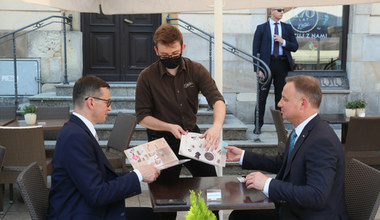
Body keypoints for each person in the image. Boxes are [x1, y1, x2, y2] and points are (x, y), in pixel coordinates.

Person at [135, 23, 226, 219]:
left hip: (191, 135)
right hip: (160, 140)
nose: (170, 58)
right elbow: (142, 117)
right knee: (164, 196)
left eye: (174, 53)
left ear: (183, 48)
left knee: (210, 184)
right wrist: (168, 126)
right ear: (156, 50)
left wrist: (216, 126)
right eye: (164, 55)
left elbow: (217, 100)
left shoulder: (196, 70)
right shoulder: (146, 76)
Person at [226, 75, 347, 220]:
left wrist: (267, 184)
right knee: (239, 215)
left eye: (285, 99)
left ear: (303, 104)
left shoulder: (321, 140)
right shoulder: (302, 131)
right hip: (293, 210)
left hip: (308, 215)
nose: (279, 103)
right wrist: (243, 156)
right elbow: (283, 163)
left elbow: (316, 195)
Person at [46, 76, 160, 220]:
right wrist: (139, 175)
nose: (110, 107)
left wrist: (138, 174)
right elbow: (98, 194)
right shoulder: (75, 137)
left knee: (159, 214)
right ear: (91, 102)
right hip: (78, 213)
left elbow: (100, 179)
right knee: (158, 216)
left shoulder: (78, 130)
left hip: (86, 208)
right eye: (107, 102)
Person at [253, 8, 299, 134]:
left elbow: (295, 46)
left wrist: (283, 41)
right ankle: (258, 126)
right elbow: (255, 50)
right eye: (279, 10)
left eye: (283, 10)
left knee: (281, 97)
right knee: (261, 97)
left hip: (282, 65)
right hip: (266, 66)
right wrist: (258, 70)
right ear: (271, 11)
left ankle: (280, 127)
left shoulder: (287, 28)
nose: (282, 12)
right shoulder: (261, 28)